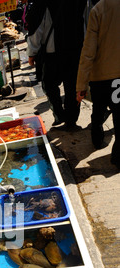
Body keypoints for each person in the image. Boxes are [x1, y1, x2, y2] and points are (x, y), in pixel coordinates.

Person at [27, 0, 87, 128]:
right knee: (72, 87)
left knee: (49, 85)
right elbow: (86, 21)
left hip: (53, 53)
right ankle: (71, 120)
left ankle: (60, 115)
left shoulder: (43, 3)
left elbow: (37, 27)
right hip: (75, 50)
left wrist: (32, 52)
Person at [76, 0, 120, 168]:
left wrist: (81, 84)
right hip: (118, 77)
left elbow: (88, 50)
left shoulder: (98, 9)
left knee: (98, 111)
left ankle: (97, 139)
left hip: (99, 76)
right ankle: (117, 156)